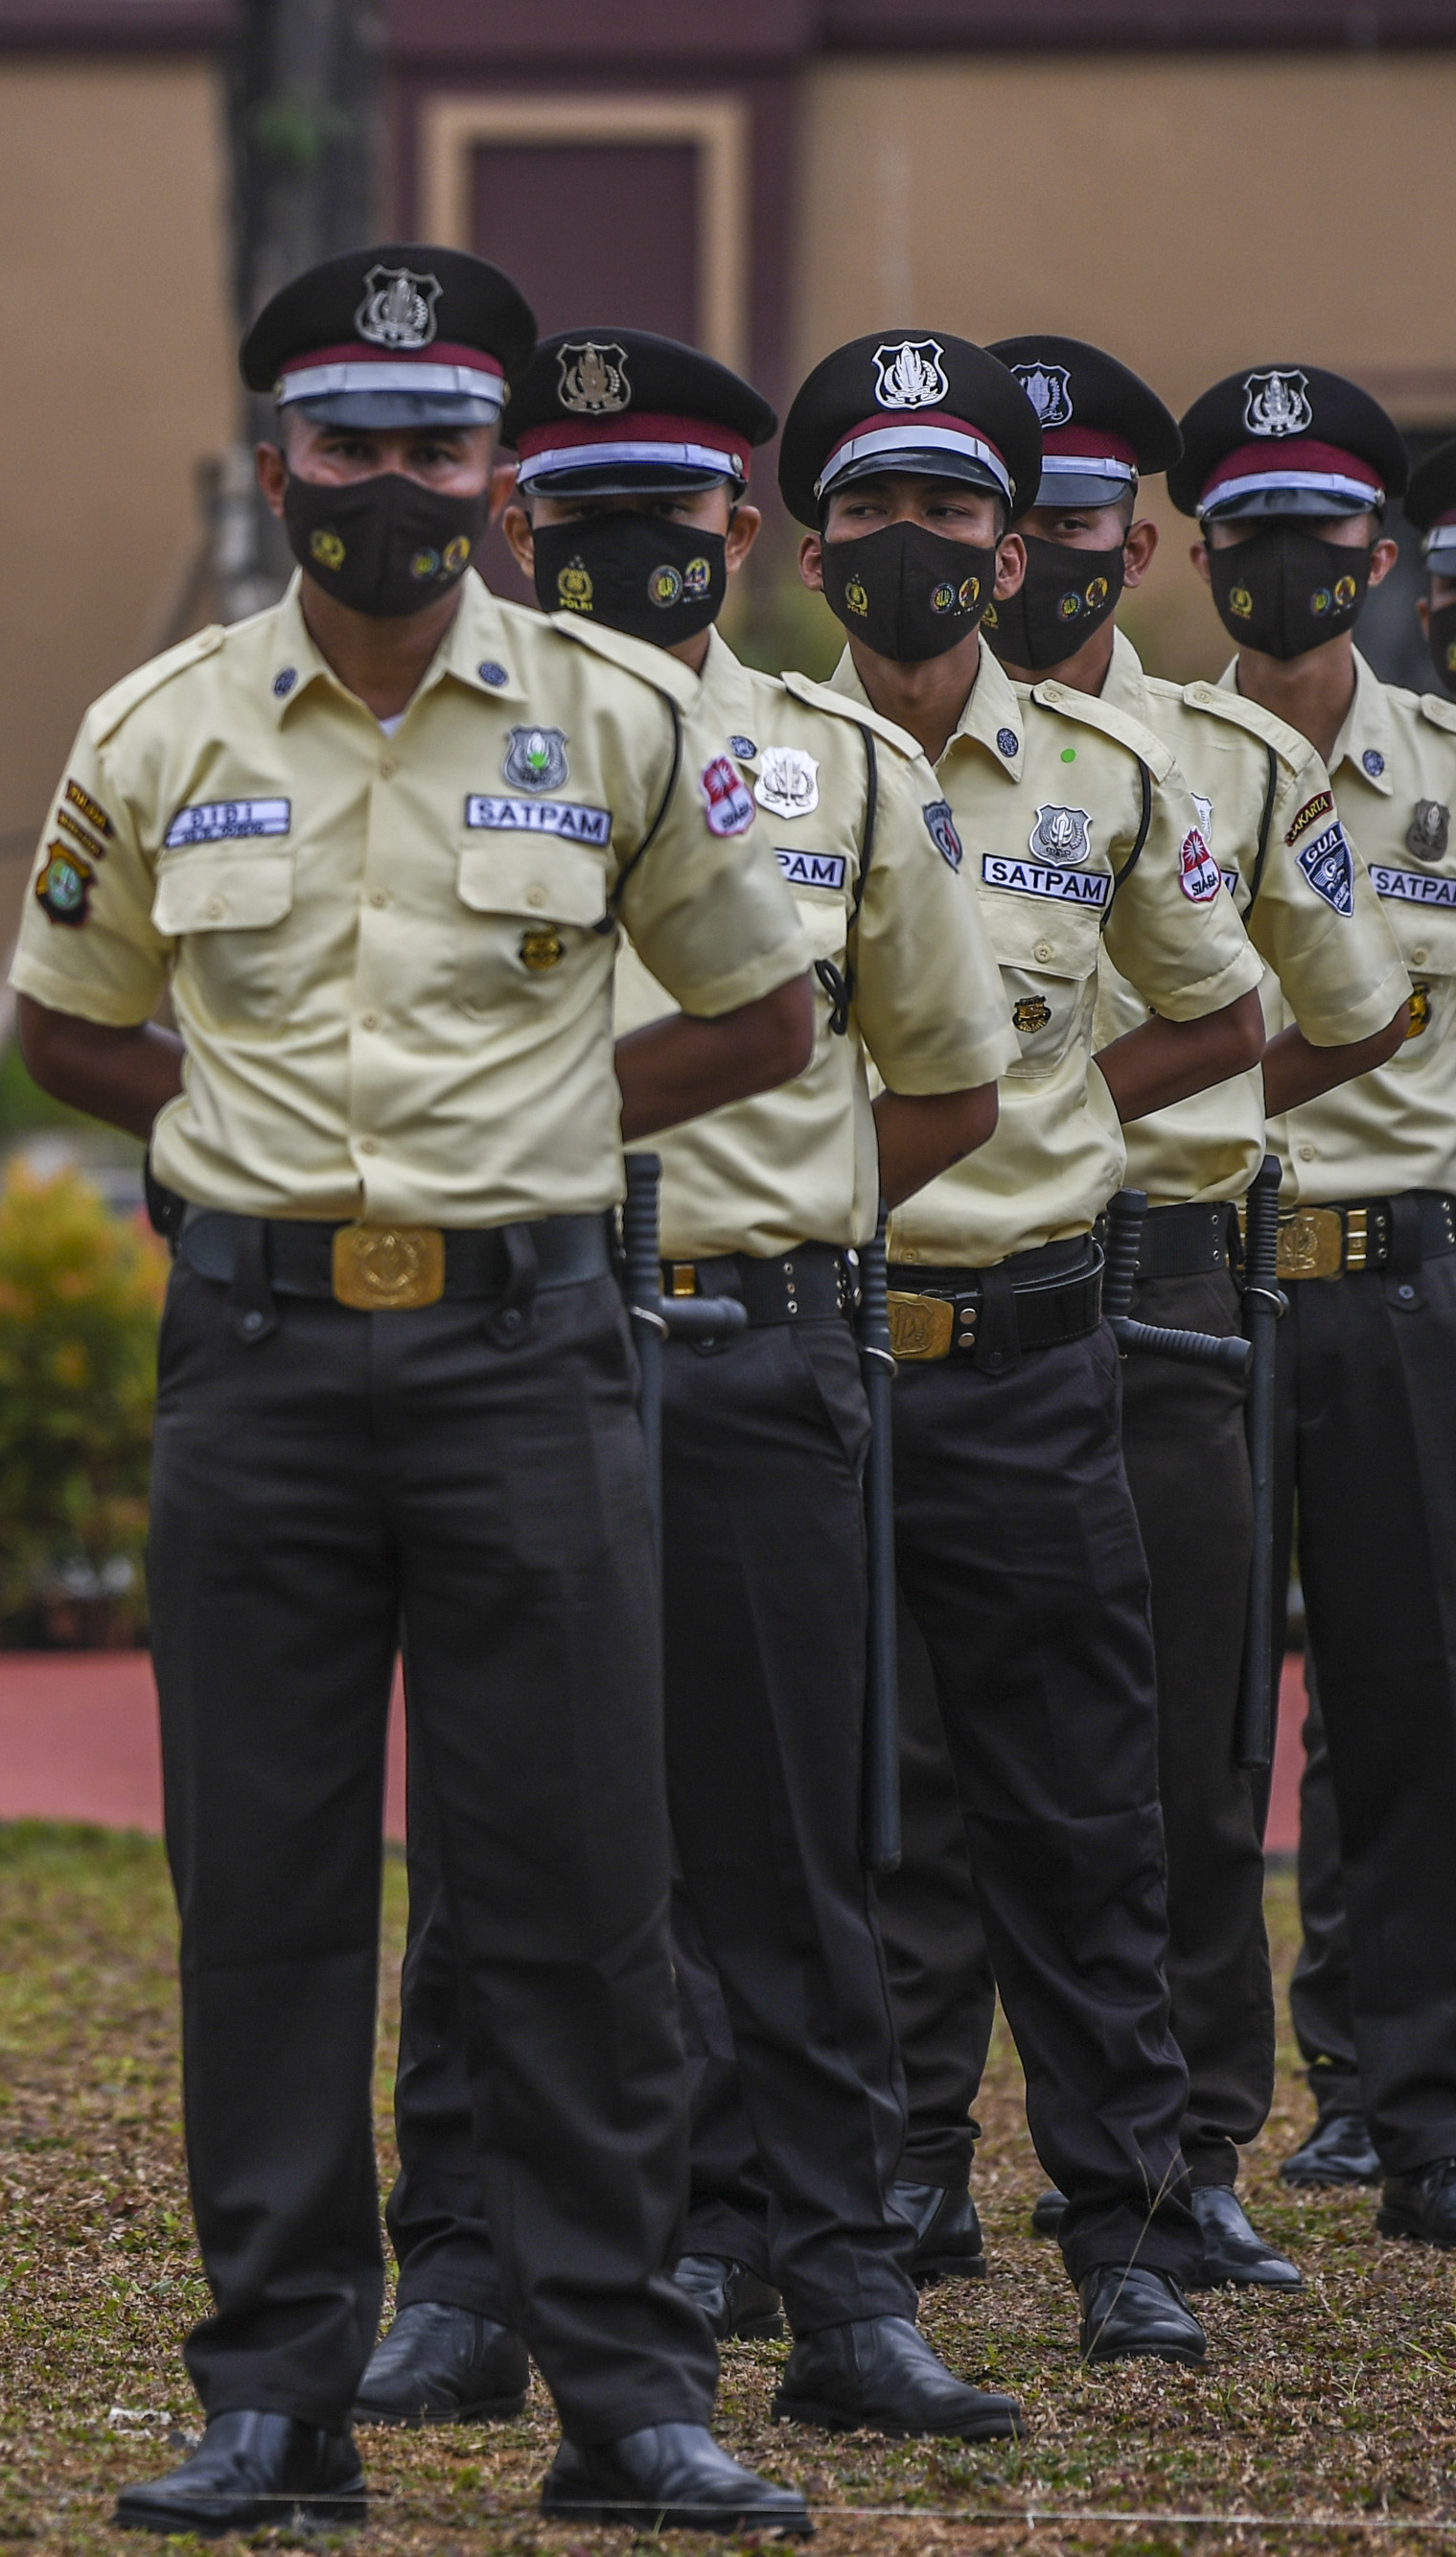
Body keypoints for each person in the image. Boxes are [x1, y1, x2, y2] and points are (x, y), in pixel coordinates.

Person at [14, 245, 816, 2538]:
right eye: (348, 445)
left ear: (497, 471)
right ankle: (277, 2392)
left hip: (521, 1355)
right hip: (255, 1362)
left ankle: (625, 2395)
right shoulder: (159, 728)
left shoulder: (617, 720)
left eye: (434, 445)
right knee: (260, 1887)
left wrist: (545, 1118)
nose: (392, 483)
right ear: (279, 462)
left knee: (572, 1883)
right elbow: (73, 1017)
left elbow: (759, 1018)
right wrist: (224, 1135)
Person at [362, 325, 1020, 2450]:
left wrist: (792, 1218)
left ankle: (833, 2285)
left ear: (743, 529)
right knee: (486, 1849)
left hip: (756, 1354)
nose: (625, 550)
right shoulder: (434, 755)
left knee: (788, 1850)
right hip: (502, 1345)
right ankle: (460, 2277)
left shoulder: (841, 771)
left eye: (665, 513)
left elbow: (942, 1079)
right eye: (580, 516)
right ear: (513, 526)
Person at [897, 339, 1405, 2286]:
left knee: (1176, 1764)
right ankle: (908, 2156)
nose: (1039, 565)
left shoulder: (1219, 761)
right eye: (1017, 528)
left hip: (1162, 1286)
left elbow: (1358, 1005)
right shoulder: (855, 746)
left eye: (1084, 528)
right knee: (920, 1765)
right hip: (940, 1292)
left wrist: (1109, 1118)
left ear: (1120, 541)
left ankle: (1180, 2153)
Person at [786, 329, 1264, 2361]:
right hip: (808, 1357)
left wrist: (1038, 1097)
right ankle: (862, 2184)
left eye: (948, 509)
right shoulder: (741, 764)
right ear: (815, 546)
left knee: (1075, 1803)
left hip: (1032, 1349)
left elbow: (1233, 1013)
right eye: (873, 509)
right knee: (822, 1802)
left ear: (1006, 543)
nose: (913, 544)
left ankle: (1122, 2216)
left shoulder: (1109, 777)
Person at [1194, 377, 1456, 2253]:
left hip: (1403, 1284)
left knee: (1411, 1707)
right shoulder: (1130, 767)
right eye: (1248, 527)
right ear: (1201, 553)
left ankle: (1409, 2106)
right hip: (1197, 1273)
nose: (1287, 560)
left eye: (1319, 531)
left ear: (1371, 557)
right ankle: (1181, 2137)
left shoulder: (1449, 766)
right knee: (1181, 1726)